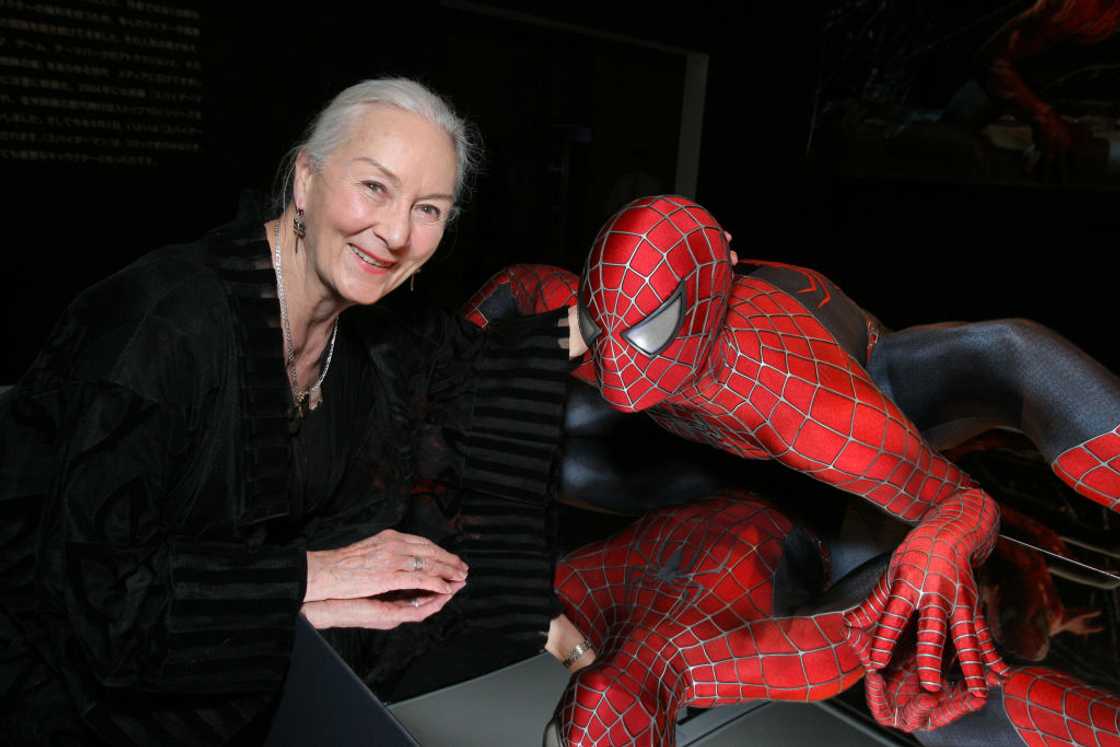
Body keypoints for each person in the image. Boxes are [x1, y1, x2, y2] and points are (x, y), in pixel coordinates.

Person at [0, 78, 587, 745]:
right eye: (375, 187)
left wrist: (615, 318)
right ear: (306, 179)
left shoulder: (369, 333)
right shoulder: (161, 326)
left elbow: (471, 369)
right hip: (65, 707)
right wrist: (315, 573)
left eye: (428, 208)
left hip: (237, 700)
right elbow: (93, 598)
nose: (395, 232)